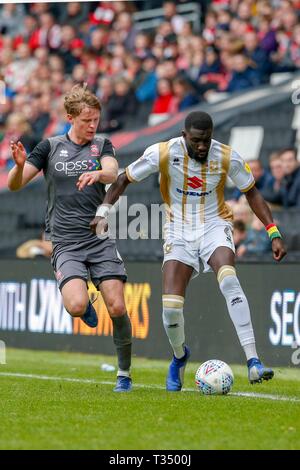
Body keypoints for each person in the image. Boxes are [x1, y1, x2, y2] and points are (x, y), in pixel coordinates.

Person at [84, 111, 287, 391]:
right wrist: (103, 211)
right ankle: (180, 356)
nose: (202, 146)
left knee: (228, 278)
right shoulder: (164, 152)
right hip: (178, 230)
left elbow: (252, 193)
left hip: (215, 224)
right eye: (196, 141)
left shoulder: (227, 156)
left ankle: (253, 361)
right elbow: (123, 179)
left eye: (206, 140)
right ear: (184, 136)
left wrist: (272, 231)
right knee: (171, 310)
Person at [7, 84, 132, 392]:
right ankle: (86, 304)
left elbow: (114, 173)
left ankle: (124, 373)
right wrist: (20, 166)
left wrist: (98, 175)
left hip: (99, 237)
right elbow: (15, 185)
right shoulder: (49, 147)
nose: (93, 126)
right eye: (87, 120)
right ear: (70, 118)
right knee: (76, 307)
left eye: (96, 120)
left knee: (116, 307)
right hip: (64, 241)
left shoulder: (102, 144)